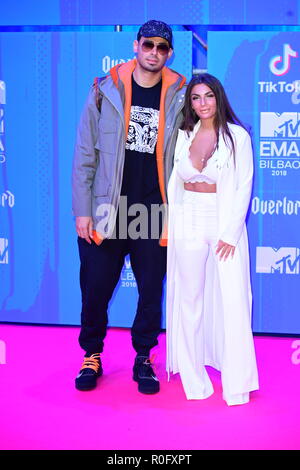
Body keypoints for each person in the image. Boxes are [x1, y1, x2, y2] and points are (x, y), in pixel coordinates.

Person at [72, 20, 186, 394]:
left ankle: (144, 356)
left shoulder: (180, 97)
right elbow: (85, 154)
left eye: (162, 48)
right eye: (148, 45)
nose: (154, 52)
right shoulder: (105, 89)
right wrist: (82, 211)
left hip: (154, 211)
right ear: (136, 46)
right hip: (107, 209)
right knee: (95, 288)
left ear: (169, 53)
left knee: (151, 290)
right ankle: (91, 354)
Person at [166, 73, 259, 406]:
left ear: (218, 98)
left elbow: (243, 186)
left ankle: (236, 382)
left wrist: (231, 233)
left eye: (208, 96)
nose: (202, 103)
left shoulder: (238, 136)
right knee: (189, 300)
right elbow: (175, 184)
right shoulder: (183, 135)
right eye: (195, 98)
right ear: (189, 103)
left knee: (233, 300)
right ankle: (194, 379)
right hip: (188, 221)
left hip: (222, 224)